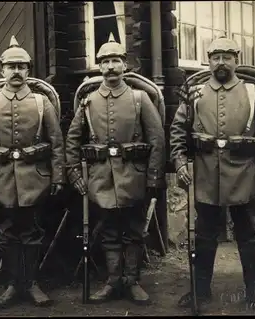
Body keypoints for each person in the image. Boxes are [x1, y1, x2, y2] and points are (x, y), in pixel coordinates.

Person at [170, 36, 255, 313]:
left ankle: (254, 293)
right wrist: (181, 162)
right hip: (206, 176)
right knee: (204, 236)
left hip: (245, 176)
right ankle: (201, 291)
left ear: (236, 60)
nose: (221, 62)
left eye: (227, 57)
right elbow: (178, 131)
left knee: (249, 236)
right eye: (215, 57)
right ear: (208, 61)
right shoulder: (194, 93)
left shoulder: (254, 92)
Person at [65, 33, 166, 305]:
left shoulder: (140, 98)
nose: (110, 67)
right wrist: (74, 172)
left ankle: (132, 281)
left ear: (125, 65)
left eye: (116, 61)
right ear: (99, 67)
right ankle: (112, 282)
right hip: (101, 179)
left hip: (134, 175)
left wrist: (154, 176)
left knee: (135, 230)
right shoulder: (88, 101)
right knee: (108, 230)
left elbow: (157, 139)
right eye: (105, 62)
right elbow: (73, 139)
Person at [0, 36, 65, 308]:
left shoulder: (42, 102)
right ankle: (11, 285)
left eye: (22, 66)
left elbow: (57, 142)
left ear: (29, 70)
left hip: (35, 179)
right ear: (2, 70)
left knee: (32, 231)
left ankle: (32, 284)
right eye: (11, 66)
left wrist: (58, 175)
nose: (17, 72)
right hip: (1, 181)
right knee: (8, 234)